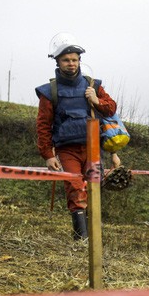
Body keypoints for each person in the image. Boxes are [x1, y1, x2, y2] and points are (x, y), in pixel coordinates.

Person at [35, 32, 120, 240]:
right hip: (66, 150)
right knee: (74, 188)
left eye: (74, 59)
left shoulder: (93, 85)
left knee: (94, 188)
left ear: (79, 61)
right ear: (58, 62)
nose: (71, 64)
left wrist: (97, 100)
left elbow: (111, 109)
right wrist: (48, 154)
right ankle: (81, 239)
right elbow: (43, 125)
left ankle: (95, 238)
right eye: (66, 60)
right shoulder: (50, 91)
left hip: (93, 149)